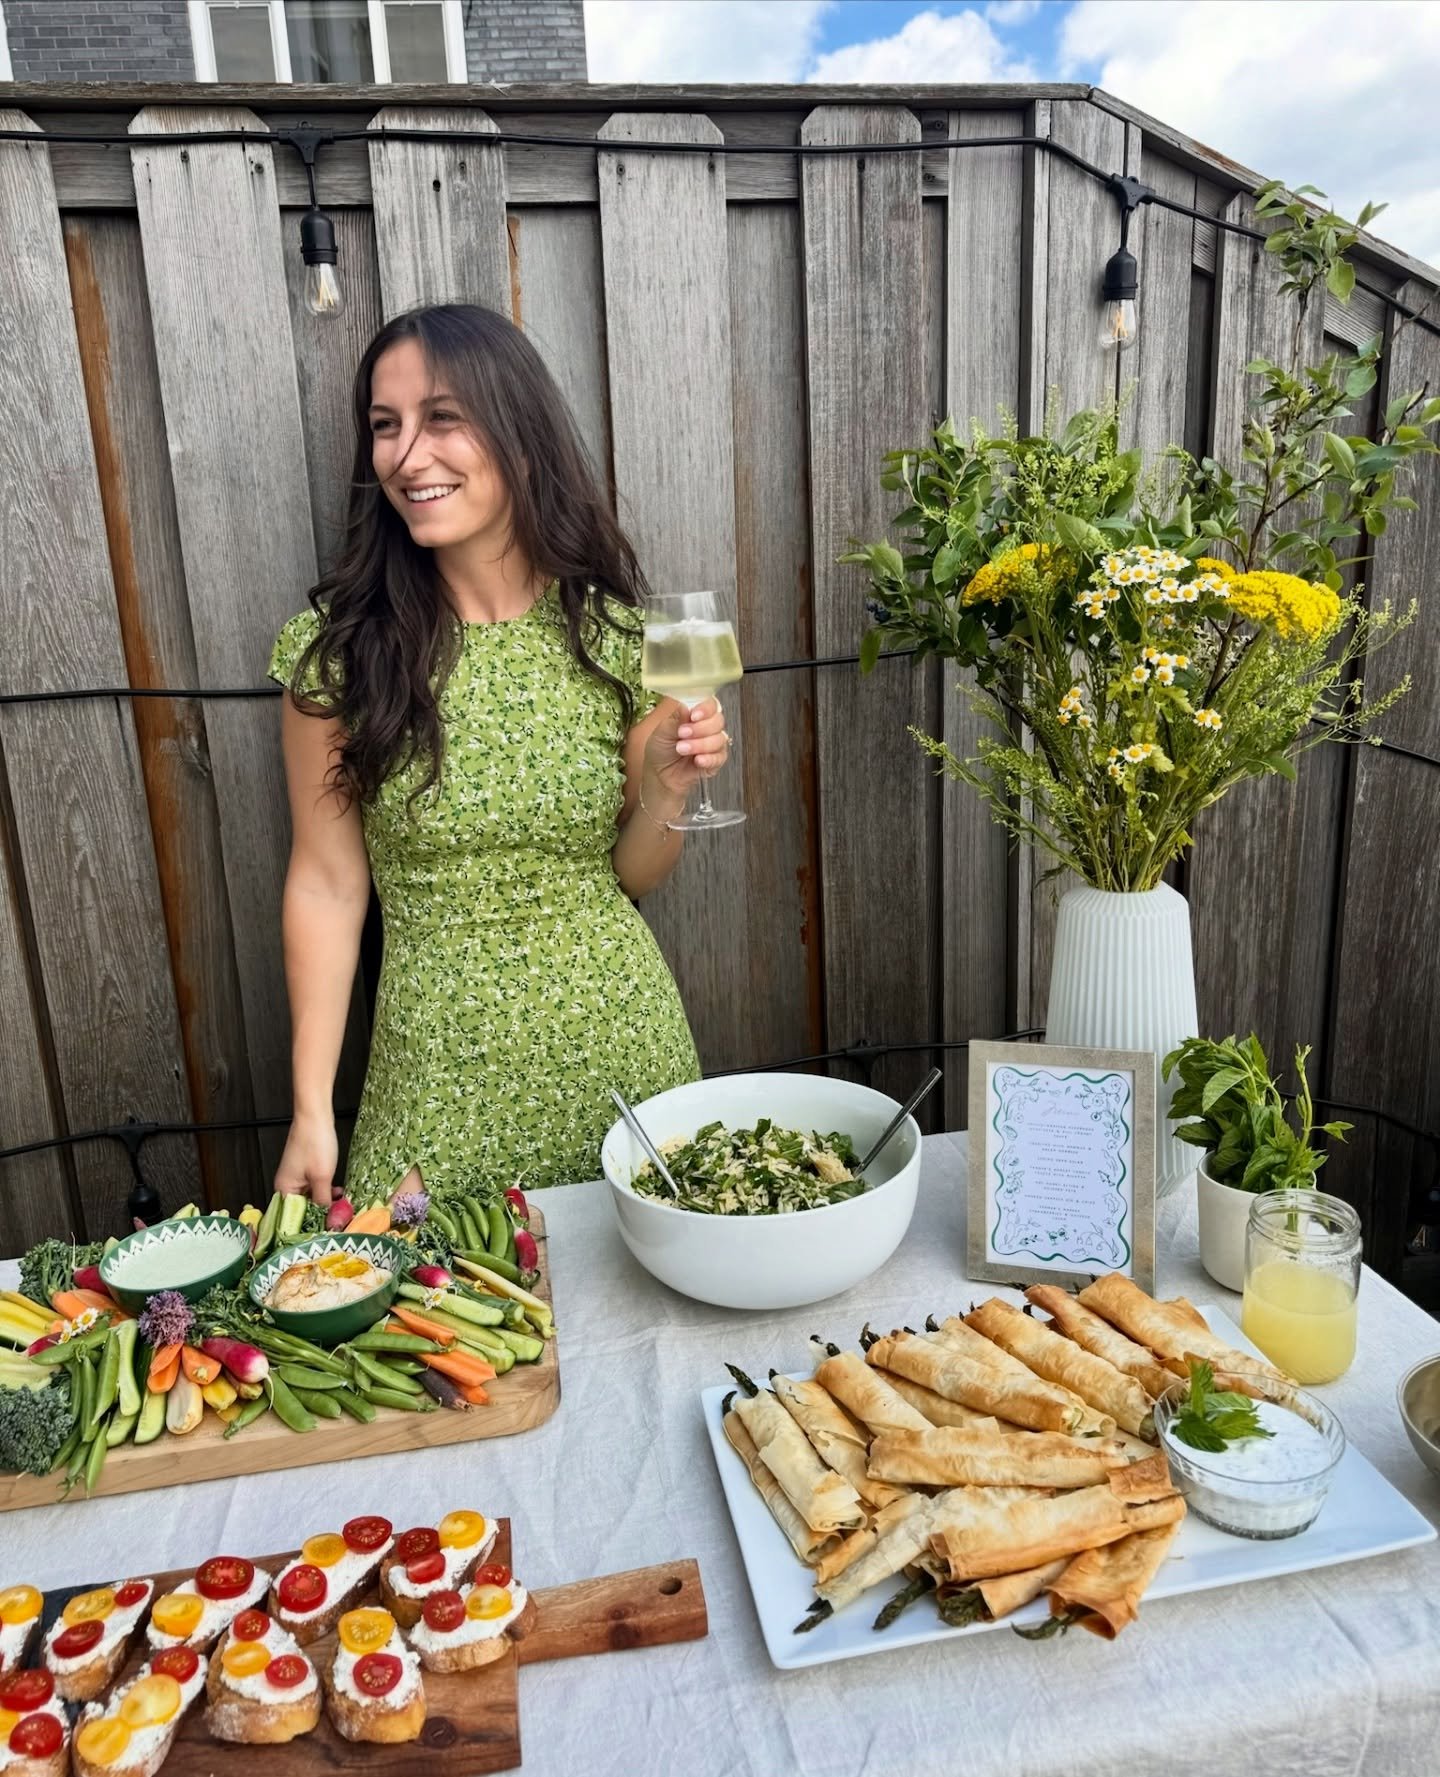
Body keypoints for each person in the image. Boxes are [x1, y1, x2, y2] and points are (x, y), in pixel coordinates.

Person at [269, 303, 724, 1204]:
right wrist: (312, 1107)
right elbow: (326, 883)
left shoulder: (613, 635)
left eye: (442, 418)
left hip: (623, 1058)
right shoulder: (338, 655)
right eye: (385, 426)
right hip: (434, 1081)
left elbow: (630, 873)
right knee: (437, 1334)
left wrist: (668, 785)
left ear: (518, 433)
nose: (407, 456)